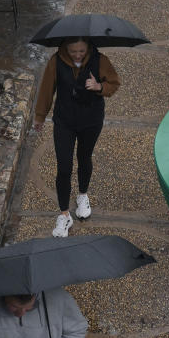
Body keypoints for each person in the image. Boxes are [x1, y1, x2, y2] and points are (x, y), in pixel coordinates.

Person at [33, 37, 121, 237]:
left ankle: (82, 195)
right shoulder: (56, 61)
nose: (78, 55)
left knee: (84, 157)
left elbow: (114, 83)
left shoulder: (100, 60)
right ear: (66, 49)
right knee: (64, 165)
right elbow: (47, 90)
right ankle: (64, 214)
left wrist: (99, 87)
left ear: (87, 47)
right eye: (74, 51)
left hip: (91, 120)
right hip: (64, 121)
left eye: (81, 51)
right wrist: (40, 116)